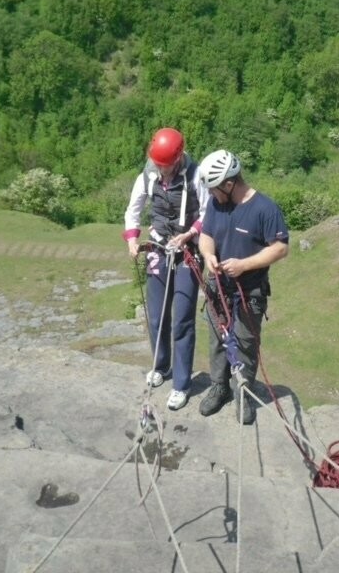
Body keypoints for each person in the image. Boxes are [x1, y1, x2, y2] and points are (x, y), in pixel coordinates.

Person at [197, 149, 289, 424]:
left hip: (248, 292)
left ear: (229, 184)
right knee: (217, 340)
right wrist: (209, 255)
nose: (211, 194)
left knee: (245, 344)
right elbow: (206, 237)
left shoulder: (265, 209)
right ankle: (220, 386)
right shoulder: (216, 205)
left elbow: (280, 248)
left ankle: (243, 393)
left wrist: (244, 265)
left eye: (214, 188)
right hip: (218, 288)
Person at [123, 128, 209, 410]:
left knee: (182, 318)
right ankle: (161, 367)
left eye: (167, 165)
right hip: (159, 248)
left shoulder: (196, 176)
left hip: (188, 251)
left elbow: (209, 212)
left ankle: (182, 384)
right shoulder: (148, 175)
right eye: (158, 165)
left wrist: (189, 234)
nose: (162, 171)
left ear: (179, 157)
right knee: (158, 316)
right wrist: (133, 238)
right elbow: (134, 209)